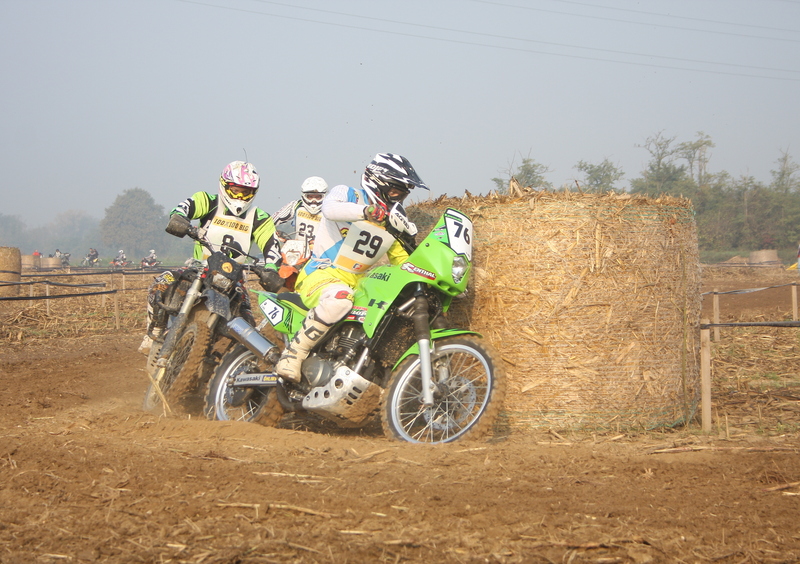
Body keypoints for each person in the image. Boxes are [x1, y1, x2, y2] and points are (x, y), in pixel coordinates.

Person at [275, 153, 428, 382]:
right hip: (320, 273)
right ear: (378, 183)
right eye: (395, 191)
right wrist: (366, 212)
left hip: (358, 283)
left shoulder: (390, 221)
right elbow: (330, 210)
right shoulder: (348, 194)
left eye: (403, 194)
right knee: (339, 298)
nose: (398, 199)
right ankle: (293, 355)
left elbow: (402, 262)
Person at [138, 160, 284, 355]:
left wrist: (271, 268)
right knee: (160, 285)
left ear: (254, 192)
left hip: (234, 280)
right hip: (199, 270)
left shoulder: (259, 218)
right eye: (236, 190)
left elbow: (272, 246)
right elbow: (182, 209)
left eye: (246, 192)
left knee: (248, 328)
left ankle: (231, 370)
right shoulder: (207, 201)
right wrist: (180, 220)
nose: (240, 197)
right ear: (224, 185)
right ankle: (154, 332)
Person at [272, 176, 328, 248]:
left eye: (318, 197)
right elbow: (272, 220)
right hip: (298, 251)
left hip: (322, 251)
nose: (314, 200)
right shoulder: (296, 205)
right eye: (310, 197)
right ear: (304, 196)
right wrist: (275, 234)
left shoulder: (329, 210)